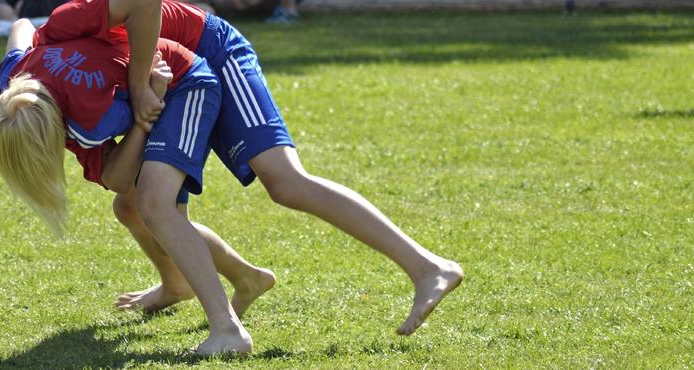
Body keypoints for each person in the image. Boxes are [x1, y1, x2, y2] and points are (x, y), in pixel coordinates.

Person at [29, 0, 465, 342]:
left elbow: (134, 3)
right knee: (134, 206)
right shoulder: (36, 83)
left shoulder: (57, 30)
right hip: (174, 82)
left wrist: (141, 85)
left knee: (285, 182)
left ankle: (428, 267)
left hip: (211, 52)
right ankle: (222, 280)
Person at [0, 2, 264, 353]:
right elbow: (19, 25)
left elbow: (119, 174)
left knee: (155, 208)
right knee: (130, 208)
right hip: (159, 92)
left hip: (187, 82)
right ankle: (242, 277)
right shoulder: (19, 76)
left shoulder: (86, 118)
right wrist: (144, 115)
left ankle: (228, 330)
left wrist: (143, 87)